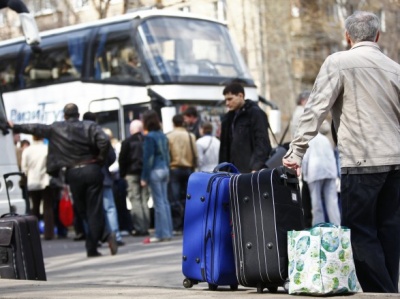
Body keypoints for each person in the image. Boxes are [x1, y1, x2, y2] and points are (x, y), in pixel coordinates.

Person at [283, 11, 400, 293]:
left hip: (361, 162)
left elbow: (316, 109)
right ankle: (388, 290)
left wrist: (296, 151)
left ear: (347, 37)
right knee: (390, 231)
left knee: (360, 232)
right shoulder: (395, 68)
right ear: (378, 36)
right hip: (396, 162)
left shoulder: (338, 62)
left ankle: (382, 294)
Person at [8, 103, 118, 258]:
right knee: (93, 209)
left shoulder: (57, 128)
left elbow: (35, 128)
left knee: (83, 210)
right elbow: (104, 141)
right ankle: (103, 237)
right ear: (78, 115)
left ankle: (96, 243)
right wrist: (100, 158)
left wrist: (15, 126)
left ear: (65, 116)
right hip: (92, 169)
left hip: (73, 172)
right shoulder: (90, 126)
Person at [219, 82, 272, 173]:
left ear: (240, 95)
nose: (227, 103)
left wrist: (256, 166)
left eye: (230, 99)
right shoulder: (228, 118)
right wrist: (222, 170)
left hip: (249, 171)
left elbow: (262, 142)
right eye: (226, 100)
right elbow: (224, 148)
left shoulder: (255, 114)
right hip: (231, 172)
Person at [140, 110, 173, 243]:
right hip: (165, 168)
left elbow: (148, 158)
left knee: (159, 203)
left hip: (155, 170)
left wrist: (144, 177)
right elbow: (167, 155)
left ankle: (162, 233)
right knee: (165, 202)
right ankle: (167, 231)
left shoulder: (150, 137)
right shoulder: (162, 136)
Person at [301, 121, 340, 226]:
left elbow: (305, 159)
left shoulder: (308, 140)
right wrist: (335, 174)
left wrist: (304, 175)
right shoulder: (325, 139)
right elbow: (332, 157)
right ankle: (337, 228)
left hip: (314, 173)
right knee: (332, 203)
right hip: (330, 172)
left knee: (316, 204)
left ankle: (319, 228)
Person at [166, 114, 198, 234]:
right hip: (188, 168)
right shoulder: (190, 136)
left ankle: (178, 225)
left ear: (173, 123)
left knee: (175, 198)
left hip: (174, 168)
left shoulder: (169, 136)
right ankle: (189, 224)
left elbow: (167, 154)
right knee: (189, 198)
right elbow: (195, 154)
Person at [119, 119, 150, 237]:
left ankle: (139, 227)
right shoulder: (147, 140)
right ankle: (146, 226)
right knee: (144, 200)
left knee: (135, 200)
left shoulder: (127, 142)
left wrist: (123, 174)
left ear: (131, 130)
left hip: (131, 173)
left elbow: (122, 159)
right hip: (145, 173)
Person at [21, 135, 54, 240]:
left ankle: (33, 232)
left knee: (34, 207)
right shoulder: (46, 148)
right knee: (48, 207)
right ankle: (49, 233)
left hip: (32, 181)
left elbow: (24, 167)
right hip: (45, 180)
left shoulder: (27, 150)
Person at [291, 90, 312, 227]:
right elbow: (325, 127)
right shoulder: (303, 113)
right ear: (304, 101)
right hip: (307, 155)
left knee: (305, 193)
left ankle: (306, 221)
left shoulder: (296, 113)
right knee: (309, 195)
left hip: (303, 155)